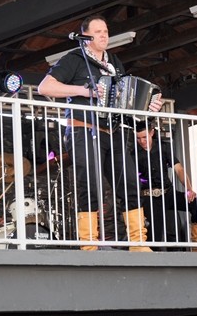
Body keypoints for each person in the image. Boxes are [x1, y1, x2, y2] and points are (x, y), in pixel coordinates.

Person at [37, 15, 162, 251]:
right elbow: (45, 87)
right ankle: (89, 244)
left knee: (130, 184)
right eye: (98, 32)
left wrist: (147, 107)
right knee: (90, 185)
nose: (104, 35)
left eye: (106, 31)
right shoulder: (74, 59)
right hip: (83, 129)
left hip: (113, 131)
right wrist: (84, 91)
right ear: (85, 37)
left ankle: (138, 242)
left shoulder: (114, 62)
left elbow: (125, 100)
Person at [134, 125, 197, 251]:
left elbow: (179, 169)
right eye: (138, 138)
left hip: (168, 193)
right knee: (154, 238)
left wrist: (189, 189)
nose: (142, 141)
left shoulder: (163, 147)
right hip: (149, 198)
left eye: (144, 137)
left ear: (152, 133)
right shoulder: (133, 153)